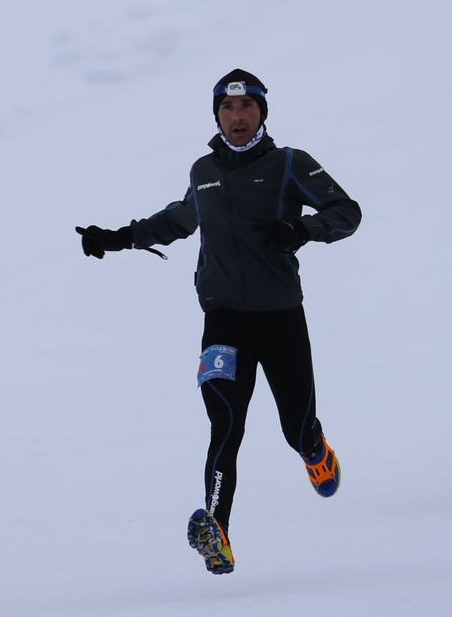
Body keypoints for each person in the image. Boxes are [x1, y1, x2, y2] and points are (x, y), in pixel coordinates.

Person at [76, 69, 362, 574]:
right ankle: (218, 531)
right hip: (223, 322)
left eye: (246, 108)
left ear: (261, 113)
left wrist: (302, 229)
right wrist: (115, 238)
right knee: (225, 423)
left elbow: (347, 212)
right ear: (216, 115)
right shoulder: (203, 170)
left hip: (280, 319)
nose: (237, 117)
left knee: (295, 427)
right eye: (227, 109)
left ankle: (315, 451)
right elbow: (177, 220)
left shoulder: (289, 163)